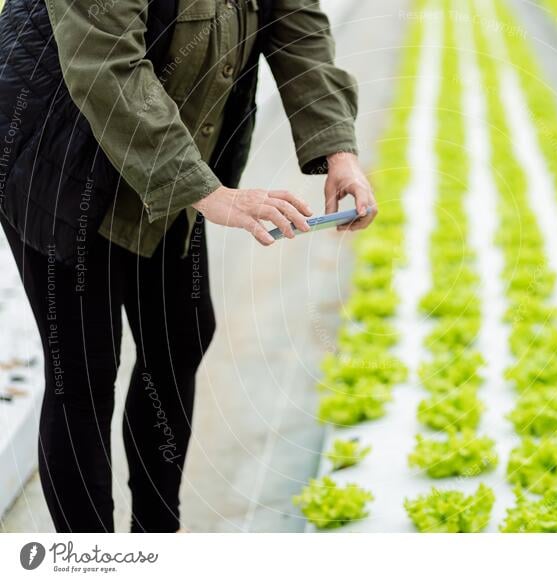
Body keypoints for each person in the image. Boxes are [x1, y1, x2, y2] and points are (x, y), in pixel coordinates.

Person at [0, 0, 376, 533]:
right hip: (60, 156)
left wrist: (338, 149)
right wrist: (207, 192)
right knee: (83, 370)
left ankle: (158, 541)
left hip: (168, 159)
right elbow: (105, 64)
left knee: (180, 336)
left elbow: (295, 19)